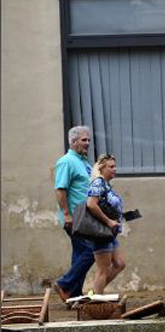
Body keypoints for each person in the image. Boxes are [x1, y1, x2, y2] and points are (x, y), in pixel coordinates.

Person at [54, 125, 95, 302]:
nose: (87, 143)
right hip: (74, 217)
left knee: (79, 255)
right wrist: (66, 214)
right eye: (84, 140)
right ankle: (64, 284)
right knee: (91, 251)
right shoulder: (66, 161)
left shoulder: (83, 162)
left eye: (88, 140)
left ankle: (74, 295)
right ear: (73, 141)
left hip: (84, 217)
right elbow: (60, 189)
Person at [86, 154, 127, 294]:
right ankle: (96, 302)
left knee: (120, 263)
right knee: (103, 269)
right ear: (102, 168)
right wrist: (109, 221)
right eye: (111, 167)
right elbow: (91, 204)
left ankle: (94, 293)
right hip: (101, 232)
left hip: (109, 232)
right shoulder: (98, 182)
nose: (115, 169)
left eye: (115, 166)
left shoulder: (106, 184)